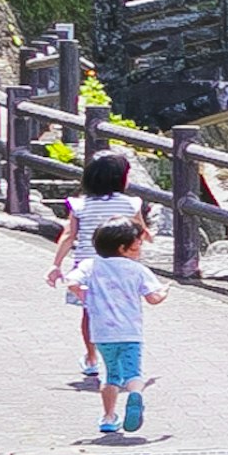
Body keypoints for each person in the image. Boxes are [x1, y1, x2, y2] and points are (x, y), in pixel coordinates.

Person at [49, 151, 148, 388]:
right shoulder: (131, 203)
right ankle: (124, 363)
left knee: (90, 313)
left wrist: (55, 265)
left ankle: (92, 358)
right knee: (124, 313)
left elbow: (68, 235)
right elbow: (140, 231)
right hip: (122, 267)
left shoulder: (80, 204)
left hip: (88, 268)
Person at [73, 219, 165, 439]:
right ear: (123, 248)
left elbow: (73, 282)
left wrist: (86, 296)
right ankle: (135, 394)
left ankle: (108, 417)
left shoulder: (90, 265)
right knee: (133, 373)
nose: (139, 250)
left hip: (102, 333)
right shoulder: (138, 269)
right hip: (130, 332)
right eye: (136, 246)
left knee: (111, 375)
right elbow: (153, 298)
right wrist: (165, 292)